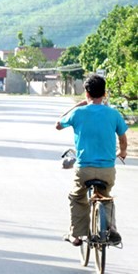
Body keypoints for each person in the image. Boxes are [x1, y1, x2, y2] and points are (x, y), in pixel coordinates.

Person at [55, 74, 128, 247]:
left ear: (86, 93)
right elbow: (123, 140)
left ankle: (76, 235)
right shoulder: (114, 114)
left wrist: (77, 105)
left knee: (77, 197)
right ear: (104, 93)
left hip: (84, 169)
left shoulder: (78, 113)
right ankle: (110, 229)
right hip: (107, 170)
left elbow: (58, 124)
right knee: (106, 196)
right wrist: (122, 151)